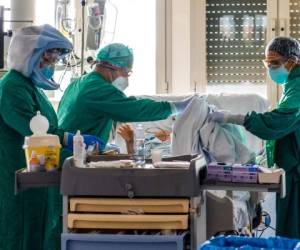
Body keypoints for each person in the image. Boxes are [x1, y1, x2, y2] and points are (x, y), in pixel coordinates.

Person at [0, 25, 103, 250]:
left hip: (37, 175)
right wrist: (69, 139)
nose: (52, 66)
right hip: (15, 177)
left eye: (55, 60)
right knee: (19, 235)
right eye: (48, 60)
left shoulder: (30, 88)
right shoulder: (11, 88)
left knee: (37, 231)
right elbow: (35, 131)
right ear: (30, 56)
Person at [208, 36, 300, 239]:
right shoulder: (292, 85)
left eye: (274, 63)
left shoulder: (298, 87)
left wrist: (234, 118)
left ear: (292, 61)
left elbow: (277, 123)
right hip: (292, 170)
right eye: (267, 63)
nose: (270, 68)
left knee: (293, 232)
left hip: (297, 173)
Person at [57, 43, 191, 145]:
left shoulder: (80, 82)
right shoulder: (97, 89)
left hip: (71, 150)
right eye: (126, 72)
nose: (127, 78)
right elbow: (134, 109)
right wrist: (175, 107)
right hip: (74, 155)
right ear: (113, 68)